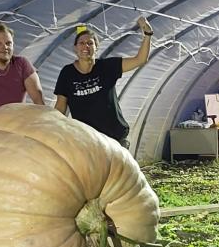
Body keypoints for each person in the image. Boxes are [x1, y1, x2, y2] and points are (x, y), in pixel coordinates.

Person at [54, 16, 153, 149]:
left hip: (115, 138)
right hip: (87, 141)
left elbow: (139, 60)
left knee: (118, 170)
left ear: (96, 47)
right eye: (82, 43)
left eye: (90, 43)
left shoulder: (107, 67)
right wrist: (54, 129)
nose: (86, 46)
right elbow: (61, 106)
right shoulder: (67, 73)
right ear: (75, 48)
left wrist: (147, 35)